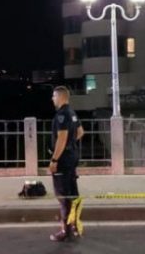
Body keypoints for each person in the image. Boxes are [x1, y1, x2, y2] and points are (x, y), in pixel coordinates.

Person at [49, 85, 85, 242]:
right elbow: (80, 132)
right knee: (73, 194)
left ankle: (66, 230)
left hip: (63, 160)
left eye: (54, 96)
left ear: (61, 97)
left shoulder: (62, 115)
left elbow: (61, 139)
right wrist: (70, 144)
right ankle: (75, 226)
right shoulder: (72, 113)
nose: (52, 99)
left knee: (63, 196)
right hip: (72, 157)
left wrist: (54, 160)